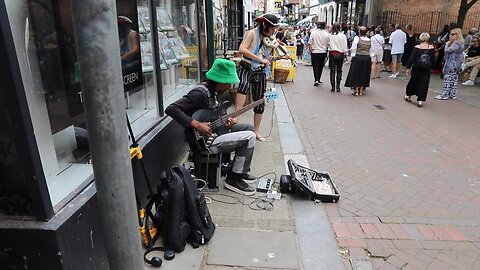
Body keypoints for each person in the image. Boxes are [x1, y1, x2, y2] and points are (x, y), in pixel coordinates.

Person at [165, 59, 258, 196]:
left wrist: (225, 120)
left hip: (215, 132)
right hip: (204, 142)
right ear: (219, 80)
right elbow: (171, 109)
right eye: (228, 82)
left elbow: (213, 114)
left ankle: (239, 171)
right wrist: (197, 124)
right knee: (249, 137)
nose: (230, 86)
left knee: (249, 128)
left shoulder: (214, 91)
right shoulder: (199, 93)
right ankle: (233, 179)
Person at [235, 13, 290, 142]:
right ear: (265, 26)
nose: (274, 32)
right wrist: (259, 59)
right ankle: (235, 116)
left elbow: (267, 59)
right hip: (246, 66)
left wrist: (280, 57)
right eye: (272, 29)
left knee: (260, 102)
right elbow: (242, 49)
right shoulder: (251, 34)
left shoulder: (269, 40)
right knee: (242, 86)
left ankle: (256, 131)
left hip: (260, 71)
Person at [404, 32, 435, 107]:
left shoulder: (417, 47)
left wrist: (408, 67)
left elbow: (412, 58)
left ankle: (409, 95)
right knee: (424, 83)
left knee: (413, 81)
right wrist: (432, 68)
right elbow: (433, 59)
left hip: (417, 67)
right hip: (426, 69)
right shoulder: (431, 48)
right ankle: (420, 100)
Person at [435, 28, 465, 100]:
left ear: (457, 35)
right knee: (454, 79)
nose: (451, 36)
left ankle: (445, 94)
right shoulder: (461, 43)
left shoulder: (456, 43)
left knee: (448, 79)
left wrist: (447, 44)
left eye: (453, 34)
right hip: (456, 64)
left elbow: (447, 50)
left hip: (451, 64)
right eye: (451, 34)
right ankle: (452, 93)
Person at [345, 26, 371, 96]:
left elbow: (353, 48)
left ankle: (356, 91)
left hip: (358, 57)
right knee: (364, 74)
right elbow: (371, 50)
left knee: (357, 74)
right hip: (367, 58)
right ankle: (361, 91)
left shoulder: (357, 38)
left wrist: (349, 52)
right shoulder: (369, 40)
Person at [327, 23, 348, 92]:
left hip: (332, 54)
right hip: (340, 54)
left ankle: (333, 87)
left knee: (332, 71)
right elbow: (345, 47)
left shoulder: (330, 36)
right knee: (339, 70)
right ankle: (338, 86)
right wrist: (346, 55)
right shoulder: (343, 36)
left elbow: (327, 45)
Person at [309, 21, 330, 86]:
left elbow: (310, 43)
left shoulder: (313, 33)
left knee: (315, 66)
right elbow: (328, 44)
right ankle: (318, 79)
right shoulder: (327, 34)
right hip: (323, 52)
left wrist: (311, 50)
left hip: (315, 51)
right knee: (321, 66)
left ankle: (316, 79)